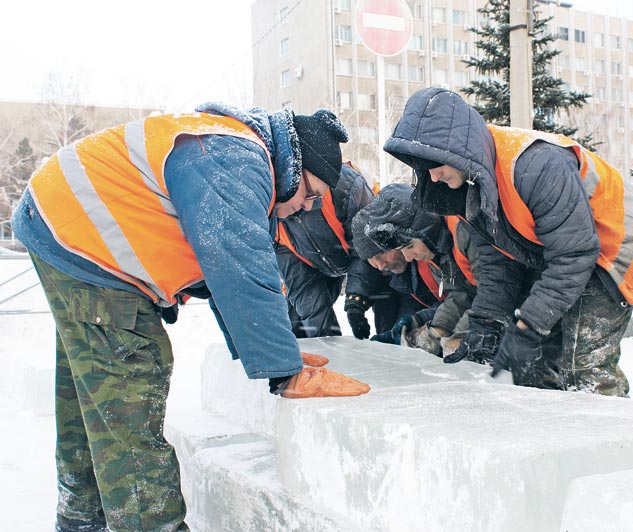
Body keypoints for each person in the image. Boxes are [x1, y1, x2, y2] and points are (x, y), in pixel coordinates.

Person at [11, 103, 370, 532]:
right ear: (295, 168)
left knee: (93, 390)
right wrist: (286, 372)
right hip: (82, 242)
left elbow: (219, 272)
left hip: (63, 230)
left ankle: (82, 518)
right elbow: (239, 266)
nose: (306, 207)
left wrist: (280, 357)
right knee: (130, 387)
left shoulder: (226, 146)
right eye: (310, 194)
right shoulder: (237, 158)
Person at [383, 87, 633, 397]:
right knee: (534, 364)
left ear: (453, 149)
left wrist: (529, 326)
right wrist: (485, 324)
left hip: (613, 244)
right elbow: (497, 262)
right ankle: (556, 437)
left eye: (436, 164)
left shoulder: (536, 165)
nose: (432, 177)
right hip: (559, 252)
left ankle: (610, 438)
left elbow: (575, 254)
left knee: (583, 367)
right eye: (425, 170)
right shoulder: (473, 190)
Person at [351, 183, 482, 357]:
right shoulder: (434, 252)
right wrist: (436, 330)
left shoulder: (463, 233)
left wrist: (457, 338)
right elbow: (461, 294)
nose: (408, 258)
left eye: (409, 246)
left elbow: (495, 293)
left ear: (423, 230)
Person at [275, 159, 379, 338]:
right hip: (314, 264)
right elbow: (302, 283)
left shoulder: (346, 187)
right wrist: (327, 341)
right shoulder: (273, 221)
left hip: (375, 257)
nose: (307, 205)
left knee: (387, 315)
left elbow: (365, 248)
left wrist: (356, 299)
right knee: (299, 328)